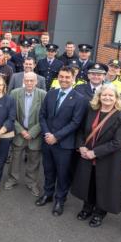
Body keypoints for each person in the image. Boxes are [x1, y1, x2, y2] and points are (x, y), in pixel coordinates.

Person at [71, 85, 121, 227]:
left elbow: (117, 142)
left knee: (103, 186)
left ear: (116, 98)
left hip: (107, 159)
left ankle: (99, 212)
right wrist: (81, 146)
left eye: (111, 95)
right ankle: (87, 207)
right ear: (99, 96)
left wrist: (95, 152)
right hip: (86, 155)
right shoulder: (91, 111)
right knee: (89, 182)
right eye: (104, 95)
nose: (107, 98)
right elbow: (80, 131)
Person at [37, 65, 88, 215]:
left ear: (73, 79)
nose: (64, 80)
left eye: (67, 77)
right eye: (61, 76)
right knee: (48, 170)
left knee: (63, 173)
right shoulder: (51, 94)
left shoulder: (80, 99)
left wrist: (56, 136)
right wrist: (47, 134)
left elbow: (75, 122)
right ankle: (48, 194)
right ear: (58, 77)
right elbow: (42, 115)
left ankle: (60, 199)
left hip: (64, 144)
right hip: (47, 141)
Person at [7, 72, 46, 195]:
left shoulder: (43, 95)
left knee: (34, 161)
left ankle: (31, 183)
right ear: (23, 80)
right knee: (15, 158)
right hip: (19, 133)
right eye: (27, 80)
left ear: (36, 82)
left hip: (35, 134)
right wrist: (21, 130)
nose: (29, 83)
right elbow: (11, 115)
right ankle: (12, 179)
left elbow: (45, 116)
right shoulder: (15, 93)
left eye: (32, 81)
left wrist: (33, 132)